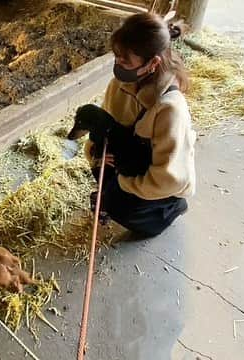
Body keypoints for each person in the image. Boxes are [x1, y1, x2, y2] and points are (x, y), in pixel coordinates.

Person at [84, 12, 196, 239]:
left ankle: (168, 211)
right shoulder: (119, 84)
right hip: (132, 159)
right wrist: (96, 153)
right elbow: (105, 127)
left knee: (119, 207)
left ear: (153, 63)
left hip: (160, 182)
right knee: (102, 171)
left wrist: (122, 184)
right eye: (117, 58)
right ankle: (117, 193)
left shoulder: (170, 108)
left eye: (126, 61)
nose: (118, 65)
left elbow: (170, 177)